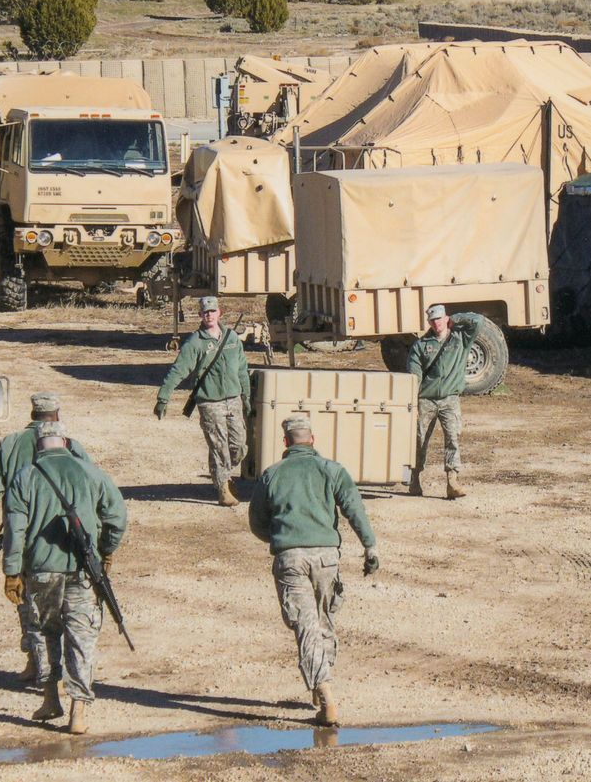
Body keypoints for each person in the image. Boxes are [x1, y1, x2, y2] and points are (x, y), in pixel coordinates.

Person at [248, 414, 379, 727]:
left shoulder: (272, 474)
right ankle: (323, 683)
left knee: (305, 625)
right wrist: (370, 546)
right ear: (312, 440)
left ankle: (326, 696)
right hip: (326, 558)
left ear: (285, 442)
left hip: (290, 558)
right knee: (323, 621)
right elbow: (354, 509)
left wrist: (282, 538)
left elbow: (257, 522)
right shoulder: (331, 470)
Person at [3, 411, 127, 736]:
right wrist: (106, 550)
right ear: (65, 442)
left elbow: (15, 532)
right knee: (81, 637)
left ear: (39, 446)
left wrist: (12, 573)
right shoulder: (90, 472)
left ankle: (49, 700)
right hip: (84, 572)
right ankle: (78, 712)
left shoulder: (24, 477)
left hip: (41, 572)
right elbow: (117, 516)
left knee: (44, 632)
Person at [0, 393, 90, 689]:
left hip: (23, 539)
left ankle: (40, 668)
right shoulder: (70, 446)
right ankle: (50, 669)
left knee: (30, 603)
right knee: (72, 608)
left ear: (33, 413)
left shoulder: (10, 444)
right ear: (57, 415)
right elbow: (92, 487)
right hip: (67, 542)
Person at [155, 295, 251, 506]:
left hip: (233, 399)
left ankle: (222, 474)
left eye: (213, 311)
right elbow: (178, 370)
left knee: (239, 447)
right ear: (200, 315)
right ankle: (223, 488)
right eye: (205, 312)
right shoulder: (195, 343)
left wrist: (247, 396)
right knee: (219, 446)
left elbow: (243, 369)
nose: (209, 315)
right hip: (210, 402)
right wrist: (164, 397)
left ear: (219, 313)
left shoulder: (232, 339)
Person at [407, 304, 477, 499]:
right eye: (433, 320)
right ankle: (414, 480)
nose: (437, 323)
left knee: (452, 439)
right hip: (426, 400)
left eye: (440, 319)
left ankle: (452, 482)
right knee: (419, 440)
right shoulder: (421, 345)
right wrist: (413, 404)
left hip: (450, 399)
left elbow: (478, 321)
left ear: (446, 319)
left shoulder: (460, 338)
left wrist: (458, 317)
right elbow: (414, 376)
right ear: (428, 322)